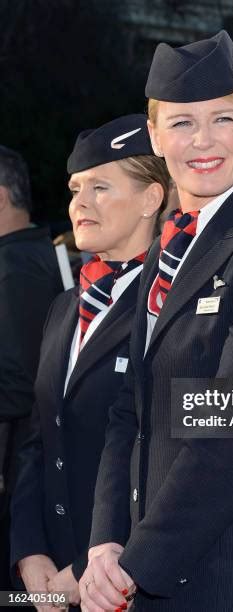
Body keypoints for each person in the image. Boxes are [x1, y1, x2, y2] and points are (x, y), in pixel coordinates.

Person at [81, 31, 233, 612]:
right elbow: (129, 411)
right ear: (155, 137)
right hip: (156, 571)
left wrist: (136, 564)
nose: (204, 140)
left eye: (223, 119)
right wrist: (105, 542)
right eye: (182, 123)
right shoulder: (165, 254)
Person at [10, 114, 169, 610]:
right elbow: (37, 436)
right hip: (48, 572)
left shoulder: (169, 304)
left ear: (151, 198)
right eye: (75, 189)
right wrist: (28, 549)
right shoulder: (65, 306)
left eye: (100, 187)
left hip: (122, 575)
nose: (79, 203)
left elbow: (171, 457)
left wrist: (85, 569)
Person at [0, 145, 62, 591]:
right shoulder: (36, 253)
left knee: (18, 597)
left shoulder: (12, 267)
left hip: (22, 478)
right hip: (32, 475)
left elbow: (19, 383)